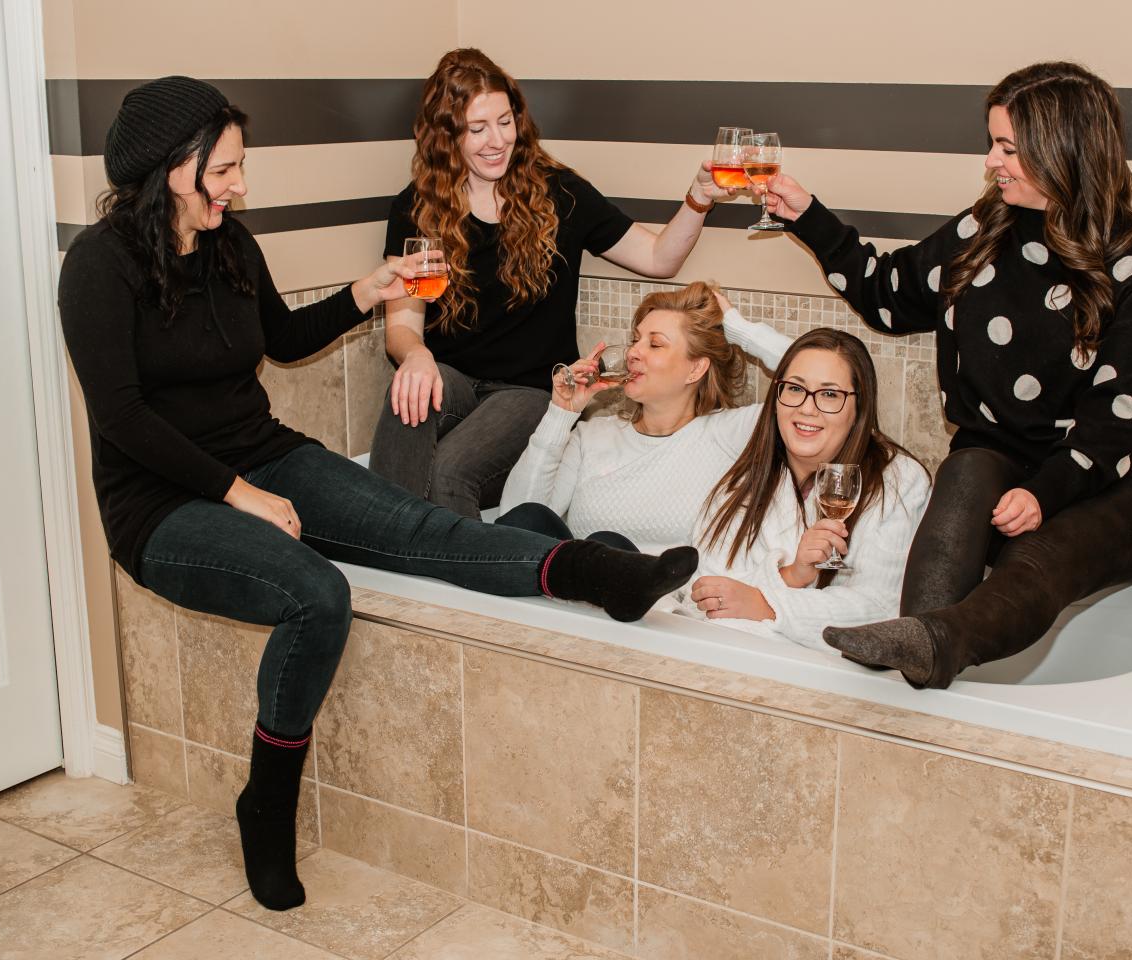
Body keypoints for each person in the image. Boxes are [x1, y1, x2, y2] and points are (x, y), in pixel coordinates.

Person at [57, 77, 697, 913]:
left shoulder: (227, 244)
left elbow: (281, 340)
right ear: (174, 170)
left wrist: (372, 290)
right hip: (161, 505)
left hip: (263, 457)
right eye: (225, 171)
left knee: (422, 524)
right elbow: (123, 418)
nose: (239, 187)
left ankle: (596, 574)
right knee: (317, 594)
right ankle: (268, 808)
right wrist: (237, 493)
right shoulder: (97, 268)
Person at [761, 61, 1132, 687]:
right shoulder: (984, 229)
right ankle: (918, 660)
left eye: (1008, 148)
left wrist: (1045, 493)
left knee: (1038, 556)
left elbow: (1121, 414)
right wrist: (807, 215)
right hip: (1002, 464)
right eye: (993, 144)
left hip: (1116, 479)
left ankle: (935, 644)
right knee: (965, 467)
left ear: (1061, 149)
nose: (992, 162)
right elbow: (889, 295)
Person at [371, 48, 734, 516]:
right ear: (447, 136)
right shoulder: (415, 206)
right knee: (410, 393)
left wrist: (699, 198)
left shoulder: (559, 193)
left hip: (529, 391)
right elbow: (402, 327)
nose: (497, 140)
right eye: (476, 129)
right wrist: (416, 357)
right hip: (455, 382)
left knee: (450, 472)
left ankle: (460, 577)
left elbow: (659, 258)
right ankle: (380, 541)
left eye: (505, 121)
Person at [497, 282, 791, 553]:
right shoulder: (593, 436)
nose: (633, 352)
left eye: (655, 344)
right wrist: (561, 413)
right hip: (578, 600)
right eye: (635, 340)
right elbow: (517, 519)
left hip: (672, 605)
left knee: (608, 547)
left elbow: (823, 378)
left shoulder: (733, 433)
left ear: (696, 369)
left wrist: (741, 329)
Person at [683, 328, 929, 647]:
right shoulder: (743, 481)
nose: (807, 408)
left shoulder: (897, 482)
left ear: (859, 409)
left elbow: (879, 609)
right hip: (731, 659)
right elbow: (702, 594)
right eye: (795, 388)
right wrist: (791, 577)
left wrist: (768, 606)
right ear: (776, 398)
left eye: (829, 395)